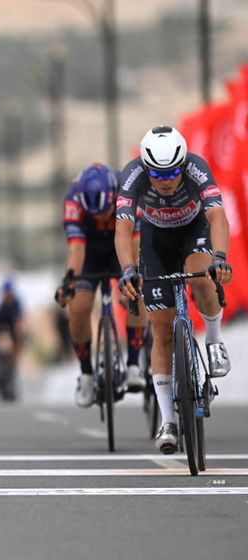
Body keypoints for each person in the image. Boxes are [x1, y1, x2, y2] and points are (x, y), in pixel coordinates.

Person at [116, 125, 232, 454]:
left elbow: (218, 217)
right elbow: (123, 229)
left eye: (173, 172)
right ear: (145, 167)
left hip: (193, 231)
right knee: (162, 329)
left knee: (199, 278)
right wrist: (128, 270)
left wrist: (220, 258)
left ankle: (213, 341)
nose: (166, 180)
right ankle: (167, 420)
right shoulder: (132, 175)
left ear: (183, 164)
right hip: (156, 239)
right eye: (157, 173)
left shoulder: (197, 168)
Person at [55, 163, 147, 408]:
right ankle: (85, 374)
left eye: (104, 211)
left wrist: (132, 274)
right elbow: (76, 249)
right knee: (79, 306)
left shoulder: (127, 191)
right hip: (90, 254)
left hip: (122, 247)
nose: (99, 217)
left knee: (137, 293)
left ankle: (134, 365)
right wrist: (69, 283)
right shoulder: (73, 200)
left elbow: (135, 242)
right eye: (93, 214)